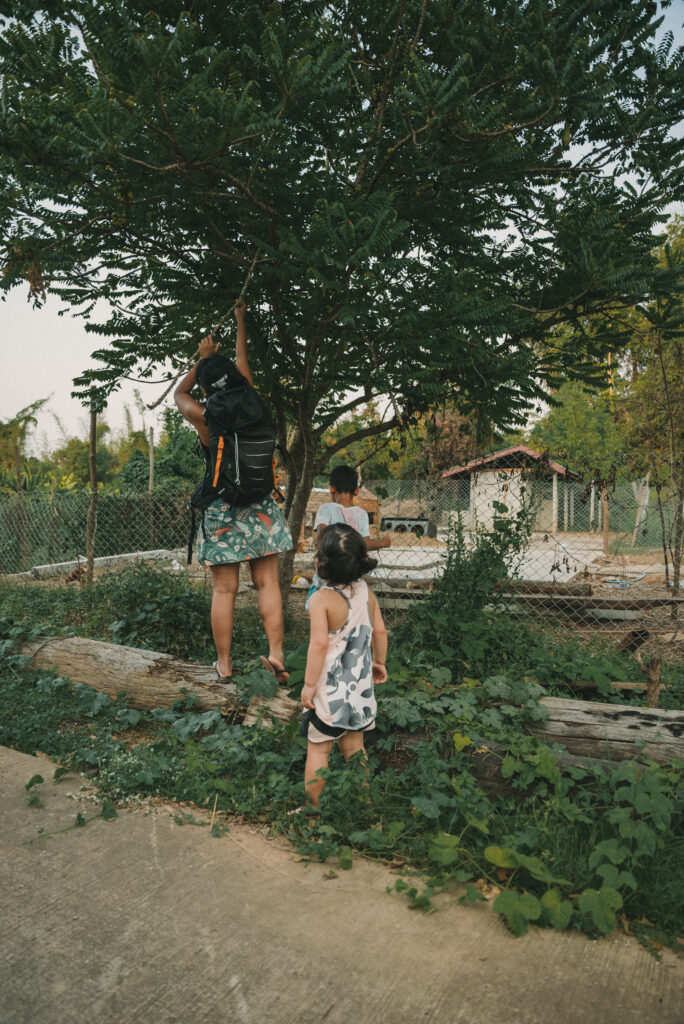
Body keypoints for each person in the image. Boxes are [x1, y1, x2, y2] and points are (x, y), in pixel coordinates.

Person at [174, 301, 292, 684]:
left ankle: (224, 666)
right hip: (262, 502)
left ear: (208, 387)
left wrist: (202, 358)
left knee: (225, 590)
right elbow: (242, 362)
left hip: (223, 506)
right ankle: (276, 654)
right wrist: (240, 320)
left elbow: (179, 393)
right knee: (268, 583)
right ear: (237, 378)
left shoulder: (206, 415)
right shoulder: (253, 399)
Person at [300, 523, 388, 808]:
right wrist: (379, 662)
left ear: (319, 564)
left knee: (318, 751)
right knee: (355, 748)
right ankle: (364, 803)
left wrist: (310, 686)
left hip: (329, 694)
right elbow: (380, 632)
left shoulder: (320, 600)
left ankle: (314, 810)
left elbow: (318, 646)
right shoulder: (365, 592)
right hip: (359, 691)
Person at [305, 464, 391, 607]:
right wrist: (383, 543)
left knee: (321, 609)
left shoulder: (326, 509)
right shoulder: (362, 514)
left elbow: (321, 538)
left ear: (331, 488)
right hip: (351, 576)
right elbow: (365, 544)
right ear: (356, 491)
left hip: (327, 576)